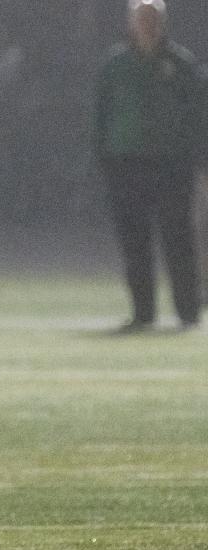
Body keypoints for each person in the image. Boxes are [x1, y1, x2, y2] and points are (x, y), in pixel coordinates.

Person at [94, 0, 204, 332]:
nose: (147, 26)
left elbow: (199, 115)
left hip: (172, 163)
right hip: (127, 163)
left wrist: (198, 159)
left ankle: (188, 311)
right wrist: (103, 157)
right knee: (134, 240)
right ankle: (143, 312)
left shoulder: (180, 64)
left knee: (178, 238)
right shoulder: (115, 65)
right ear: (130, 24)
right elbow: (101, 115)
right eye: (141, 20)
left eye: (153, 20)